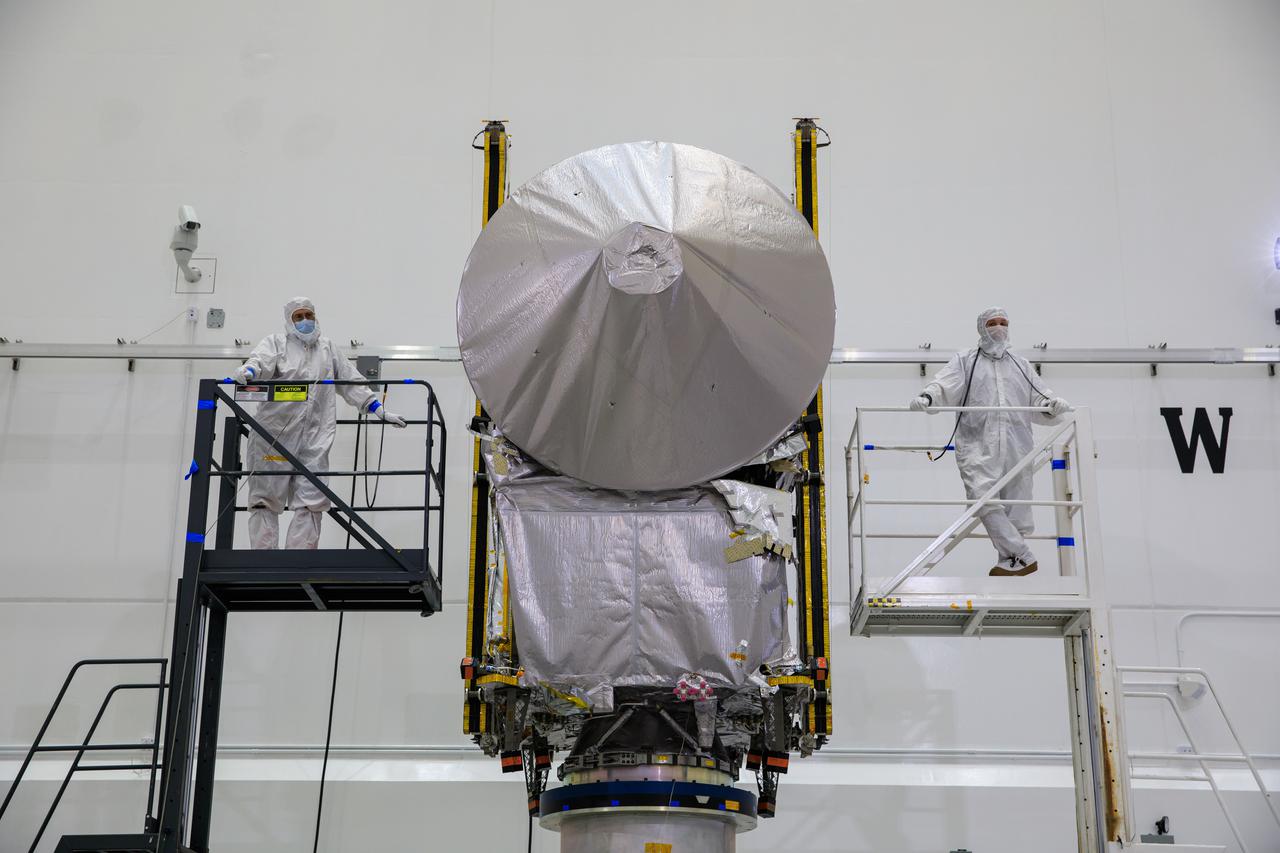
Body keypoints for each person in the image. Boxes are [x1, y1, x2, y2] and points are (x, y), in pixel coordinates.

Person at [233, 296, 406, 549]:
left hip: (314, 438)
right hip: (274, 437)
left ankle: (299, 561)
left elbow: (351, 381)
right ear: (289, 321)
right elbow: (261, 362)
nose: (305, 321)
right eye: (299, 317)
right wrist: (249, 371)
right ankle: (263, 559)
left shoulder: (328, 349)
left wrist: (378, 409)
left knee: (312, 498)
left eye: (309, 316)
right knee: (265, 498)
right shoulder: (276, 343)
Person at [909, 307, 1071, 576]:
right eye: (993, 323)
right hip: (978, 443)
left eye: (1003, 322)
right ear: (981, 328)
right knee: (981, 497)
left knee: (1016, 504)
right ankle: (1022, 554)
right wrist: (928, 397)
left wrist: (1052, 404)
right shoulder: (965, 360)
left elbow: (1039, 397)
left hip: (1017, 442)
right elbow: (943, 384)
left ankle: (1009, 561)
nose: (999, 327)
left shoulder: (1021, 364)